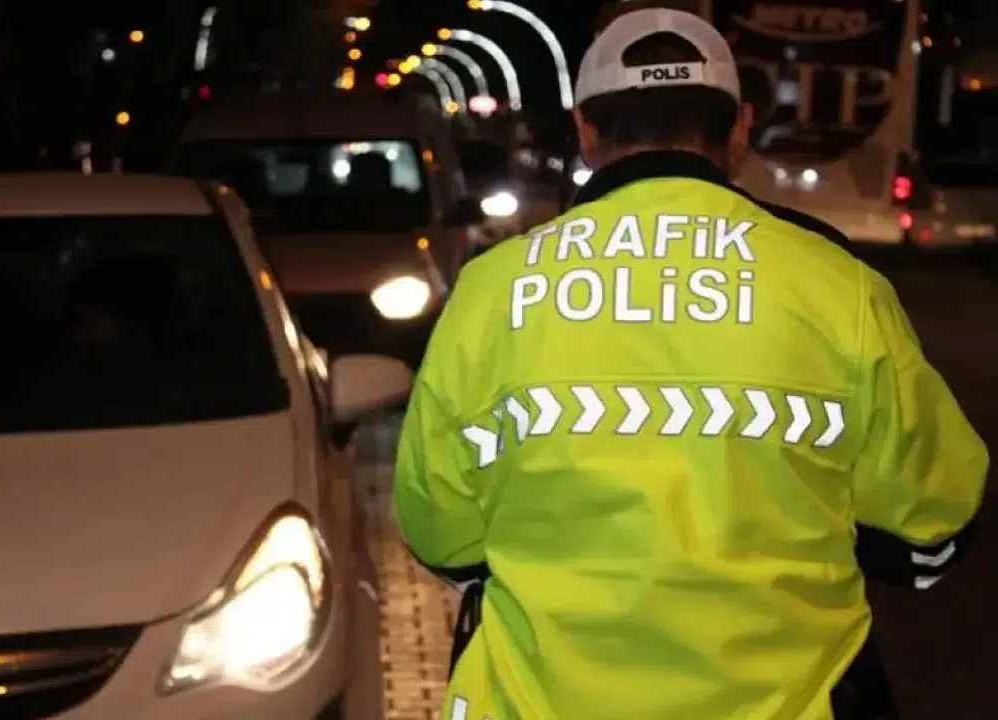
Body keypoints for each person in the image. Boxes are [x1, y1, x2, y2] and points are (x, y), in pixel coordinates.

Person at [392, 8, 988, 720]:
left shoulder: (493, 289)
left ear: (585, 130)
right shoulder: (836, 285)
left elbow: (439, 533)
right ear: (739, 128)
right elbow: (935, 521)